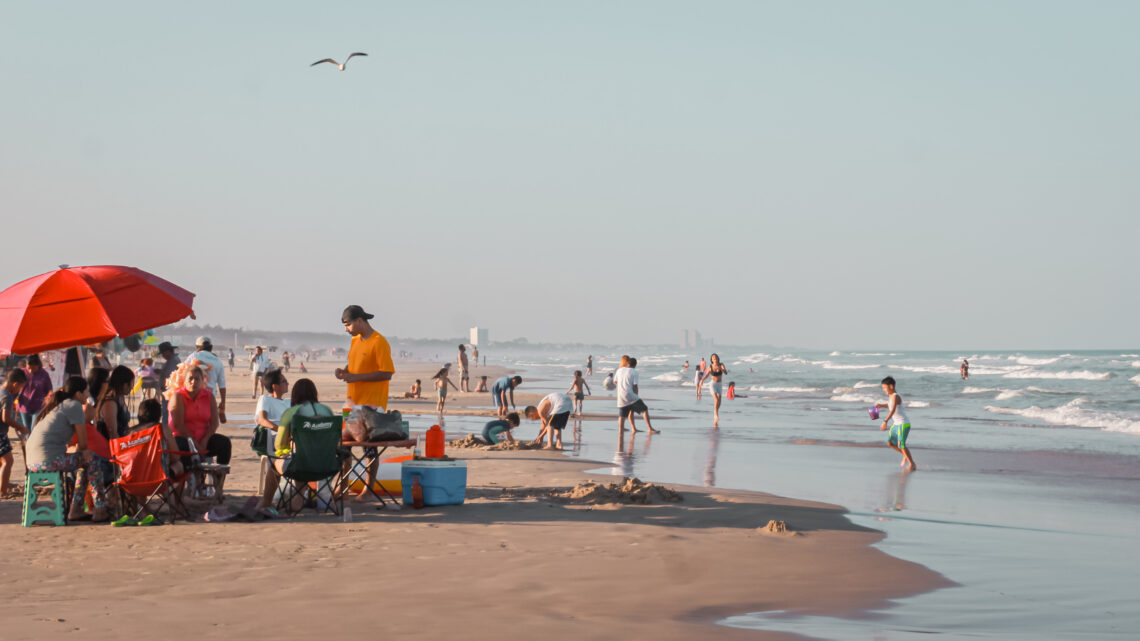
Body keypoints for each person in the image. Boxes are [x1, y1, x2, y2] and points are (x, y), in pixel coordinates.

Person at [27, 377, 110, 522]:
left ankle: (76, 509)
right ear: (78, 394)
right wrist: (83, 450)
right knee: (93, 459)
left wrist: (80, 451)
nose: (87, 395)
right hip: (48, 461)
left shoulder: (61, 406)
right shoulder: (74, 405)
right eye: (86, 392)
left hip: (33, 462)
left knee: (84, 463)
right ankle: (100, 509)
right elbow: (83, 444)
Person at [335, 304, 395, 499]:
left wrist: (357, 378)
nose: (346, 329)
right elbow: (354, 365)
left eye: (348, 324)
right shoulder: (355, 341)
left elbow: (387, 373)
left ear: (359, 320)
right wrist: (344, 372)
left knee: (369, 448)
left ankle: (367, 490)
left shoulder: (379, 342)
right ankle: (343, 487)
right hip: (353, 402)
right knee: (345, 446)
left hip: (372, 405)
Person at [257, 377, 335, 511]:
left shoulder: (291, 413)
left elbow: (280, 444)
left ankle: (266, 502)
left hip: (300, 464)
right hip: (327, 464)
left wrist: (285, 451)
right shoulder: (326, 411)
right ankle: (300, 497)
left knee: (276, 465)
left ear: (295, 395)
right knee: (302, 459)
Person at [167, 365, 231, 493]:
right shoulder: (178, 396)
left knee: (224, 443)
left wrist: (205, 441)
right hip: (183, 438)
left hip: (203, 438)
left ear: (203, 381)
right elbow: (179, 425)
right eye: (190, 379)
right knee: (182, 446)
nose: (194, 382)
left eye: (197, 379)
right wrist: (194, 445)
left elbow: (214, 423)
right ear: (184, 380)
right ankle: (190, 485)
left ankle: (218, 485)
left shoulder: (208, 396)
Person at [875, 376, 917, 472]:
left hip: (903, 424)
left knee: (901, 444)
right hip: (896, 424)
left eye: (885, 388)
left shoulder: (896, 396)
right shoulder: (891, 397)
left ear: (891, 386)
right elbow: (889, 405)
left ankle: (912, 464)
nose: (884, 390)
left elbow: (893, 409)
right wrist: (880, 405)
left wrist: (885, 421)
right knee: (890, 442)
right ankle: (905, 455)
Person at [0, 369, 30, 497]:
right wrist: (21, 427)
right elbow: (5, 418)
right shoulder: (6, 396)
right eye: (21, 387)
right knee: (8, 461)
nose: (19, 391)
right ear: (15, 384)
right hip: (0, 433)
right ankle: (2, 492)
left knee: (2, 462)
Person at [186, 337, 228, 424]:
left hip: (193, 396)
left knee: (194, 424)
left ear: (197, 347)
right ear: (211, 347)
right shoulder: (218, 361)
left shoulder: (194, 356)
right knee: (208, 424)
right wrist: (223, 402)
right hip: (210, 397)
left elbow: (182, 373)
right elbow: (222, 384)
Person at [614, 356, 658, 433]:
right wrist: (636, 396)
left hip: (620, 396)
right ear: (635, 365)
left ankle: (625, 430)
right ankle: (650, 428)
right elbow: (635, 386)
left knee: (623, 414)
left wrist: (622, 385)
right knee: (644, 409)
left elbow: (615, 381)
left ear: (628, 363)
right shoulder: (634, 372)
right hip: (630, 395)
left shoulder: (619, 370)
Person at [94, 365, 135, 440]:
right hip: (109, 446)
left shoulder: (119, 398)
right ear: (123, 384)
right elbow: (112, 432)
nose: (132, 387)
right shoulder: (110, 403)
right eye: (130, 384)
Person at [16, 354, 54, 433]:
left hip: (38, 406)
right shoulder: (22, 372)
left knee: (34, 429)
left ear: (38, 365)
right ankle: (28, 444)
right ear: (26, 365)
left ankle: (31, 444)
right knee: (26, 429)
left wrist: (49, 400)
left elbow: (49, 390)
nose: (30, 370)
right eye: (29, 367)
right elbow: (14, 387)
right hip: (24, 405)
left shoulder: (44, 374)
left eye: (33, 368)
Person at [255, 368, 291, 449]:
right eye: (284, 382)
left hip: (290, 435)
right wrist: (283, 432)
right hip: (274, 436)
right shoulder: (266, 399)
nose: (288, 383)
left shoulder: (289, 401)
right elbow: (262, 420)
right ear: (275, 386)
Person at [696, 353, 729, 427]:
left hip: (719, 384)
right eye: (713, 357)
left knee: (720, 401)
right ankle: (716, 414)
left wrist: (721, 369)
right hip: (713, 384)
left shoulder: (721, 364)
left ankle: (716, 411)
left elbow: (725, 372)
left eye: (716, 357)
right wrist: (702, 380)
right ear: (712, 359)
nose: (715, 358)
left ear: (718, 358)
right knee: (716, 400)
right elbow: (707, 375)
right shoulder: (710, 366)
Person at [155, 341, 180, 425]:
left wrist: (161, 372)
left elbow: (170, 376)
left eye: (163, 353)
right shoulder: (171, 360)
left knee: (167, 413)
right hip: (168, 391)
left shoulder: (173, 361)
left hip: (170, 392)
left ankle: (167, 431)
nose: (163, 356)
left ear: (169, 351)